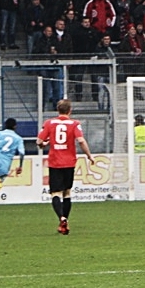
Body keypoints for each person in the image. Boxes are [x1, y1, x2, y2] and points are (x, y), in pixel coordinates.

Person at [36, 99, 95, 235]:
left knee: (55, 193)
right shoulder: (75, 124)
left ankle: (61, 218)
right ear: (70, 110)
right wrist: (89, 155)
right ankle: (65, 220)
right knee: (67, 192)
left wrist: (43, 144)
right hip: (69, 162)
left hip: (55, 162)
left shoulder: (49, 123)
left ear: (58, 110)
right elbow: (81, 140)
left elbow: (39, 141)